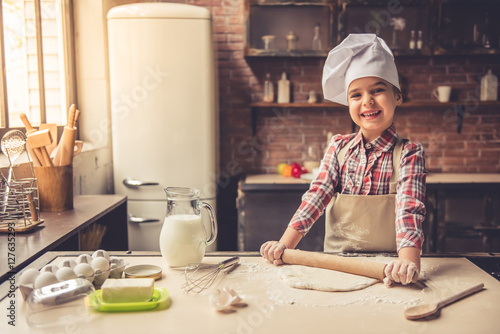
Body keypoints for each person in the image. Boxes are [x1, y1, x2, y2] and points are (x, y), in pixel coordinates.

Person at [260, 34, 427, 287]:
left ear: (397, 96)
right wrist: (284, 246)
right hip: (337, 265)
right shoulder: (339, 146)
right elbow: (316, 196)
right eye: (356, 95)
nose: (367, 101)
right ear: (348, 103)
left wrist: (407, 263)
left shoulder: (408, 152)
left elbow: (409, 209)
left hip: (387, 268)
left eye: (378, 90)